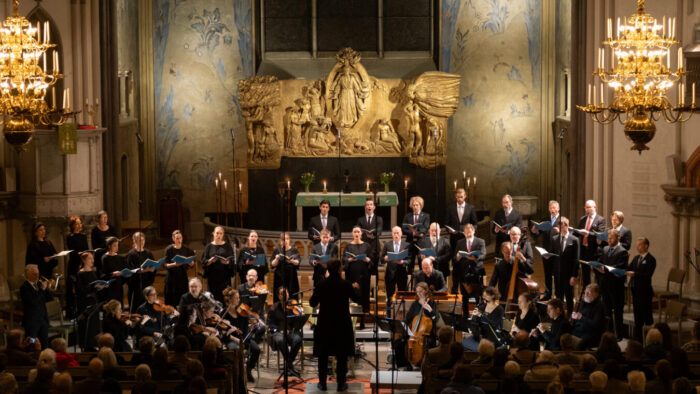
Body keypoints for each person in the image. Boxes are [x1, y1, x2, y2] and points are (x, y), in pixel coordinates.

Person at [309, 259, 360, 391]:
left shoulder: (322, 284)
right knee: (341, 355)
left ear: (328, 270)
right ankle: (341, 384)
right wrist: (356, 289)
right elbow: (357, 299)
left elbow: (312, 303)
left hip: (325, 323)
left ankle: (322, 383)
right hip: (342, 324)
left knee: (323, 355)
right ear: (339, 270)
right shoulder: (346, 284)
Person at [393, 282, 439, 369]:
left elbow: (436, 319)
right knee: (398, 342)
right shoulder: (415, 304)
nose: (419, 294)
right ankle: (405, 364)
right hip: (414, 333)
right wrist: (401, 324)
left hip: (427, 334)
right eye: (417, 292)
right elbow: (407, 319)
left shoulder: (432, 303)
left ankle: (426, 365)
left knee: (430, 343)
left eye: (421, 291)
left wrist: (430, 309)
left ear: (426, 291)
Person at [221, 287, 260, 383]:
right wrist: (236, 339)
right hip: (231, 340)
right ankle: (237, 374)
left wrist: (251, 327)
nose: (239, 300)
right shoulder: (224, 314)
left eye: (239, 298)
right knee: (236, 350)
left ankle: (248, 370)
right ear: (230, 300)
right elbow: (224, 333)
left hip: (243, 339)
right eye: (237, 298)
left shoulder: (242, 312)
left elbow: (245, 329)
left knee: (256, 349)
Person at [595, 229, 629, 338]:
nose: (609, 240)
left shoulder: (623, 251)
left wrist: (606, 269)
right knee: (606, 311)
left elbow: (620, 267)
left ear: (618, 238)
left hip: (616, 286)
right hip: (605, 284)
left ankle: (619, 334)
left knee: (618, 312)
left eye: (611, 238)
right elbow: (601, 262)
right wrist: (598, 267)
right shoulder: (605, 249)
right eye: (608, 238)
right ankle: (608, 334)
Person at [267, 287, 303, 376]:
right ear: (279, 296)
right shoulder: (274, 308)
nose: (286, 295)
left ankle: (288, 366)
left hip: (290, 332)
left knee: (298, 339)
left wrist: (300, 314)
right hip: (278, 332)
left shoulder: (292, 307)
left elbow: (296, 322)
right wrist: (280, 330)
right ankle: (290, 366)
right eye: (283, 293)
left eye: (286, 293)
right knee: (280, 340)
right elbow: (270, 324)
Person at [453, 223, 486, 315]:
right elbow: (455, 258)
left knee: (478, 296)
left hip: (476, 272)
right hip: (463, 272)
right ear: (464, 233)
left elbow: (483, 254)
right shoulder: (460, 242)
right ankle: (466, 316)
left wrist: (475, 258)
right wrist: (458, 257)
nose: (468, 234)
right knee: (464, 296)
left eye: (470, 232)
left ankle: (478, 315)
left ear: (474, 231)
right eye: (466, 233)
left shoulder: (480, 241)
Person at [530, 200, 561, 300]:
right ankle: (548, 294)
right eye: (551, 208)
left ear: (558, 209)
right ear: (549, 209)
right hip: (546, 252)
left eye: (554, 208)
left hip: (557, 253)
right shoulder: (545, 220)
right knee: (547, 274)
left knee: (557, 275)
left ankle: (557, 295)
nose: (552, 210)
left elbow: (568, 235)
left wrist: (560, 231)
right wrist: (535, 231)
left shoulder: (562, 220)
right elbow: (538, 234)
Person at [627, 237, 656, 342]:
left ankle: (649, 339)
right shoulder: (636, 258)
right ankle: (638, 340)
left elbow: (647, 275)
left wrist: (635, 274)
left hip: (645, 292)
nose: (637, 247)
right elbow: (629, 268)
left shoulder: (651, 260)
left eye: (639, 245)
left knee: (647, 317)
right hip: (636, 292)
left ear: (646, 246)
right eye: (637, 245)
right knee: (637, 318)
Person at [343, 226, 372, 327]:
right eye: (354, 232)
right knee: (352, 296)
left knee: (363, 296)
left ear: (361, 234)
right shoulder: (348, 246)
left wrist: (368, 260)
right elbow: (344, 261)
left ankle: (362, 321)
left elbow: (371, 260)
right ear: (352, 233)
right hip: (351, 275)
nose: (356, 234)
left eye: (358, 232)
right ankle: (350, 322)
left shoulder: (367, 246)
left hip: (363, 275)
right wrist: (349, 260)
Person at [445, 188, 478, 277]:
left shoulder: (471, 208)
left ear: (465, 196)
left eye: (461, 197)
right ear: (456, 196)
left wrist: (471, 232)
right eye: (458, 197)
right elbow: (447, 224)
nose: (459, 199)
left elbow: (475, 223)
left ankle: (466, 277)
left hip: (466, 238)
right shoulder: (450, 208)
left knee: (466, 260)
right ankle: (455, 282)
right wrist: (450, 230)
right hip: (454, 238)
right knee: (456, 260)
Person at [549, 217, 580, 313]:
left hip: (569, 273)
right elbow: (552, 255)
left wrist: (574, 276)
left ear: (567, 226)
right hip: (558, 273)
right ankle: (560, 317)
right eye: (560, 226)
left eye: (563, 226)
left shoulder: (574, 240)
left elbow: (576, 259)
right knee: (559, 298)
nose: (561, 229)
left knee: (569, 297)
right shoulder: (555, 239)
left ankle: (570, 317)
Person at [20, 264, 53, 349]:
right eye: (34, 274)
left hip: (42, 319)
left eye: (38, 273)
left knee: (44, 343)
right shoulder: (24, 287)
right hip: (32, 322)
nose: (37, 276)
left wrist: (47, 289)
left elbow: (49, 299)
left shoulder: (39, 284)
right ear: (28, 274)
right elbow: (33, 301)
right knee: (32, 343)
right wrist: (42, 290)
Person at [462, 286, 504, 351]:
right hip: (480, 335)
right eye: (483, 296)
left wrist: (481, 315)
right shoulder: (482, 306)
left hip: (492, 338)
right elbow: (476, 322)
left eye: (486, 296)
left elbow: (494, 326)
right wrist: (474, 318)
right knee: (462, 342)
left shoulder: (499, 309)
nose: (484, 298)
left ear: (493, 296)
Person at [201, 226, 235, 302]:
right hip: (212, 277)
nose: (218, 235)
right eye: (217, 233)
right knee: (213, 298)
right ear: (213, 234)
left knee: (225, 298)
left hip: (224, 277)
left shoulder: (228, 246)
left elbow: (232, 259)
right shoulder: (208, 247)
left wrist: (227, 262)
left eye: (220, 233)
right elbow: (203, 261)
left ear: (223, 235)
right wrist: (209, 261)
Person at [76, 251, 101, 351]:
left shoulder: (92, 271)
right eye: (90, 259)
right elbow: (81, 290)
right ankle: (87, 346)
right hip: (85, 302)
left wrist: (101, 286)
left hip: (94, 300)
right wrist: (94, 287)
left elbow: (94, 286)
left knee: (94, 324)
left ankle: (93, 344)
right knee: (87, 324)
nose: (92, 261)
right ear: (84, 260)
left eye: (93, 258)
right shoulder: (80, 274)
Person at [577, 200, 606, 286]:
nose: (587, 209)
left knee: (598, 275)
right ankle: (586, 293)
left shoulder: (600, 220)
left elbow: (600, 234)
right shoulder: (583, 219)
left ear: (595, 207)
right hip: (584, 250)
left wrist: (588, 233)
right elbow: (578, 232)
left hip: (594, 252)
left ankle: (598, 295)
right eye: (586, 207)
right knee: (585, 275)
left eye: (589, 207)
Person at [381, 226, 410, 310]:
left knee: (402, 296)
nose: (396, 235)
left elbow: (410, 260)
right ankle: (389, 314)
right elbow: (381, 259)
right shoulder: (387, 244)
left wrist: (403, 262)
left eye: (397, 233)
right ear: (392, 234)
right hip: (390, 273)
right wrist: (385, 259)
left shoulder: (406, 245)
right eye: (394, 233)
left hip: (402, 273)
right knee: (390, 296)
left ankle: (402, 314)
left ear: (401, 234)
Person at [163, 230, 195, 307]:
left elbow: (192, 262)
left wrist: (191, 263)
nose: (179, 240)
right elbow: (165, 265)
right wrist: (174, 264)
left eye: (180, 238)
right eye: (177, 238)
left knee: (183, 299)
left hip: (182, 277)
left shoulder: (186, 249)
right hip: (172, 278)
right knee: (172, 300)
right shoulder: (169, 249)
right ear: (173, 239)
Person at [126, 232, 157, 312]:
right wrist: (143, 270)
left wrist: (153, 268)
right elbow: (130, 270)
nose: (142, 242)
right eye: (139, 240)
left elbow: (153, 267)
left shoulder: (148, 253)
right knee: (136, 308)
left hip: (146, 284)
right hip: (135, 286)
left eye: (143, 240)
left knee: (148, 307)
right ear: (135, 241)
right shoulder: (131, 254)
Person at [570, 283, 606, 349]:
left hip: (591, 333)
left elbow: (595, 325)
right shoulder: (584, 302)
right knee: (564, 336)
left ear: (596, 294)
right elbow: (577, 320)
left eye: (588, 292)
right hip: (580, 330)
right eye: (585, 292)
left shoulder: (599, 306)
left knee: (578, 343)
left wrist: (581, 317)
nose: (586, 294)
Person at [66, 216, 88, 318]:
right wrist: (79, 254)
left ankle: (82, 310)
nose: (80, 225)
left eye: (80, 223)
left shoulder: (83, 236)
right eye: (77, 223)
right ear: (73, 226)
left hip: (83, 263)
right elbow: (72, 251)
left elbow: (86, 250)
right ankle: (72, 313)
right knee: (72, 289)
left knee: (82, 288)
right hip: (74, 264)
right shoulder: (70, 237)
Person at [421, 326, 455, 394]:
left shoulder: (430, 353)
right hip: (452, 386)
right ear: (451, 338)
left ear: (439, 338)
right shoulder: (456, 352)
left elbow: (423, 370)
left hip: (433, 386)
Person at [402, 196, 430, 275]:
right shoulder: (408, 216)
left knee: (422, 262)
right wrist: (413, 233)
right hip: (410, 242)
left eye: (417, 205)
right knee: (410, 264)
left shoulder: (426, 216)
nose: (415, 207)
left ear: (420, 205)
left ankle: (422, 282)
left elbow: (426, 227)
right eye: (413, 205)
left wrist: (419, 232)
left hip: (421, 243)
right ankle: (409, 283)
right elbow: (404, 228)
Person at [356, 197, 383, 277]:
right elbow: (357, 231)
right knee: (364, 269)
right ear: (365, 207)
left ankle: (375, 288)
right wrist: (366, 234)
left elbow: (379, 230)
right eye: (367, 205)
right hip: (363, 247)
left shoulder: (378, 218)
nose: (369, 206)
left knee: (374, 269)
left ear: (374, 207)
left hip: (374, 246)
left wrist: (373, 234)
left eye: (371, 205)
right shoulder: (360, 219)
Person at [271, 232, 301, 303]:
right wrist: (276, 259)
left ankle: (292, 311)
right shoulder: (277, 250)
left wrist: (292, 261)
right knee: (280, 294)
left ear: (289, 240)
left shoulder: (294, 250)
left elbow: (298, 262)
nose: (286, 241)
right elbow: (272, 264)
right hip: (279, 277)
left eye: (287, 239)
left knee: (292, 294)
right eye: (284, 239)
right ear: (281, 241)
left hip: (291, 277)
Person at [101, 236, 126, 305]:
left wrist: (125, 273)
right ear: (109, 246)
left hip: (118, 285)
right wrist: (113, 274)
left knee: (119, 305)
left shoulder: (119, 257)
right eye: (114, 246)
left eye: (117, 245)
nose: (117, 247)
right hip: (110, 287)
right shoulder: (104, 258)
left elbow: (123, 269)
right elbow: (103, 274)